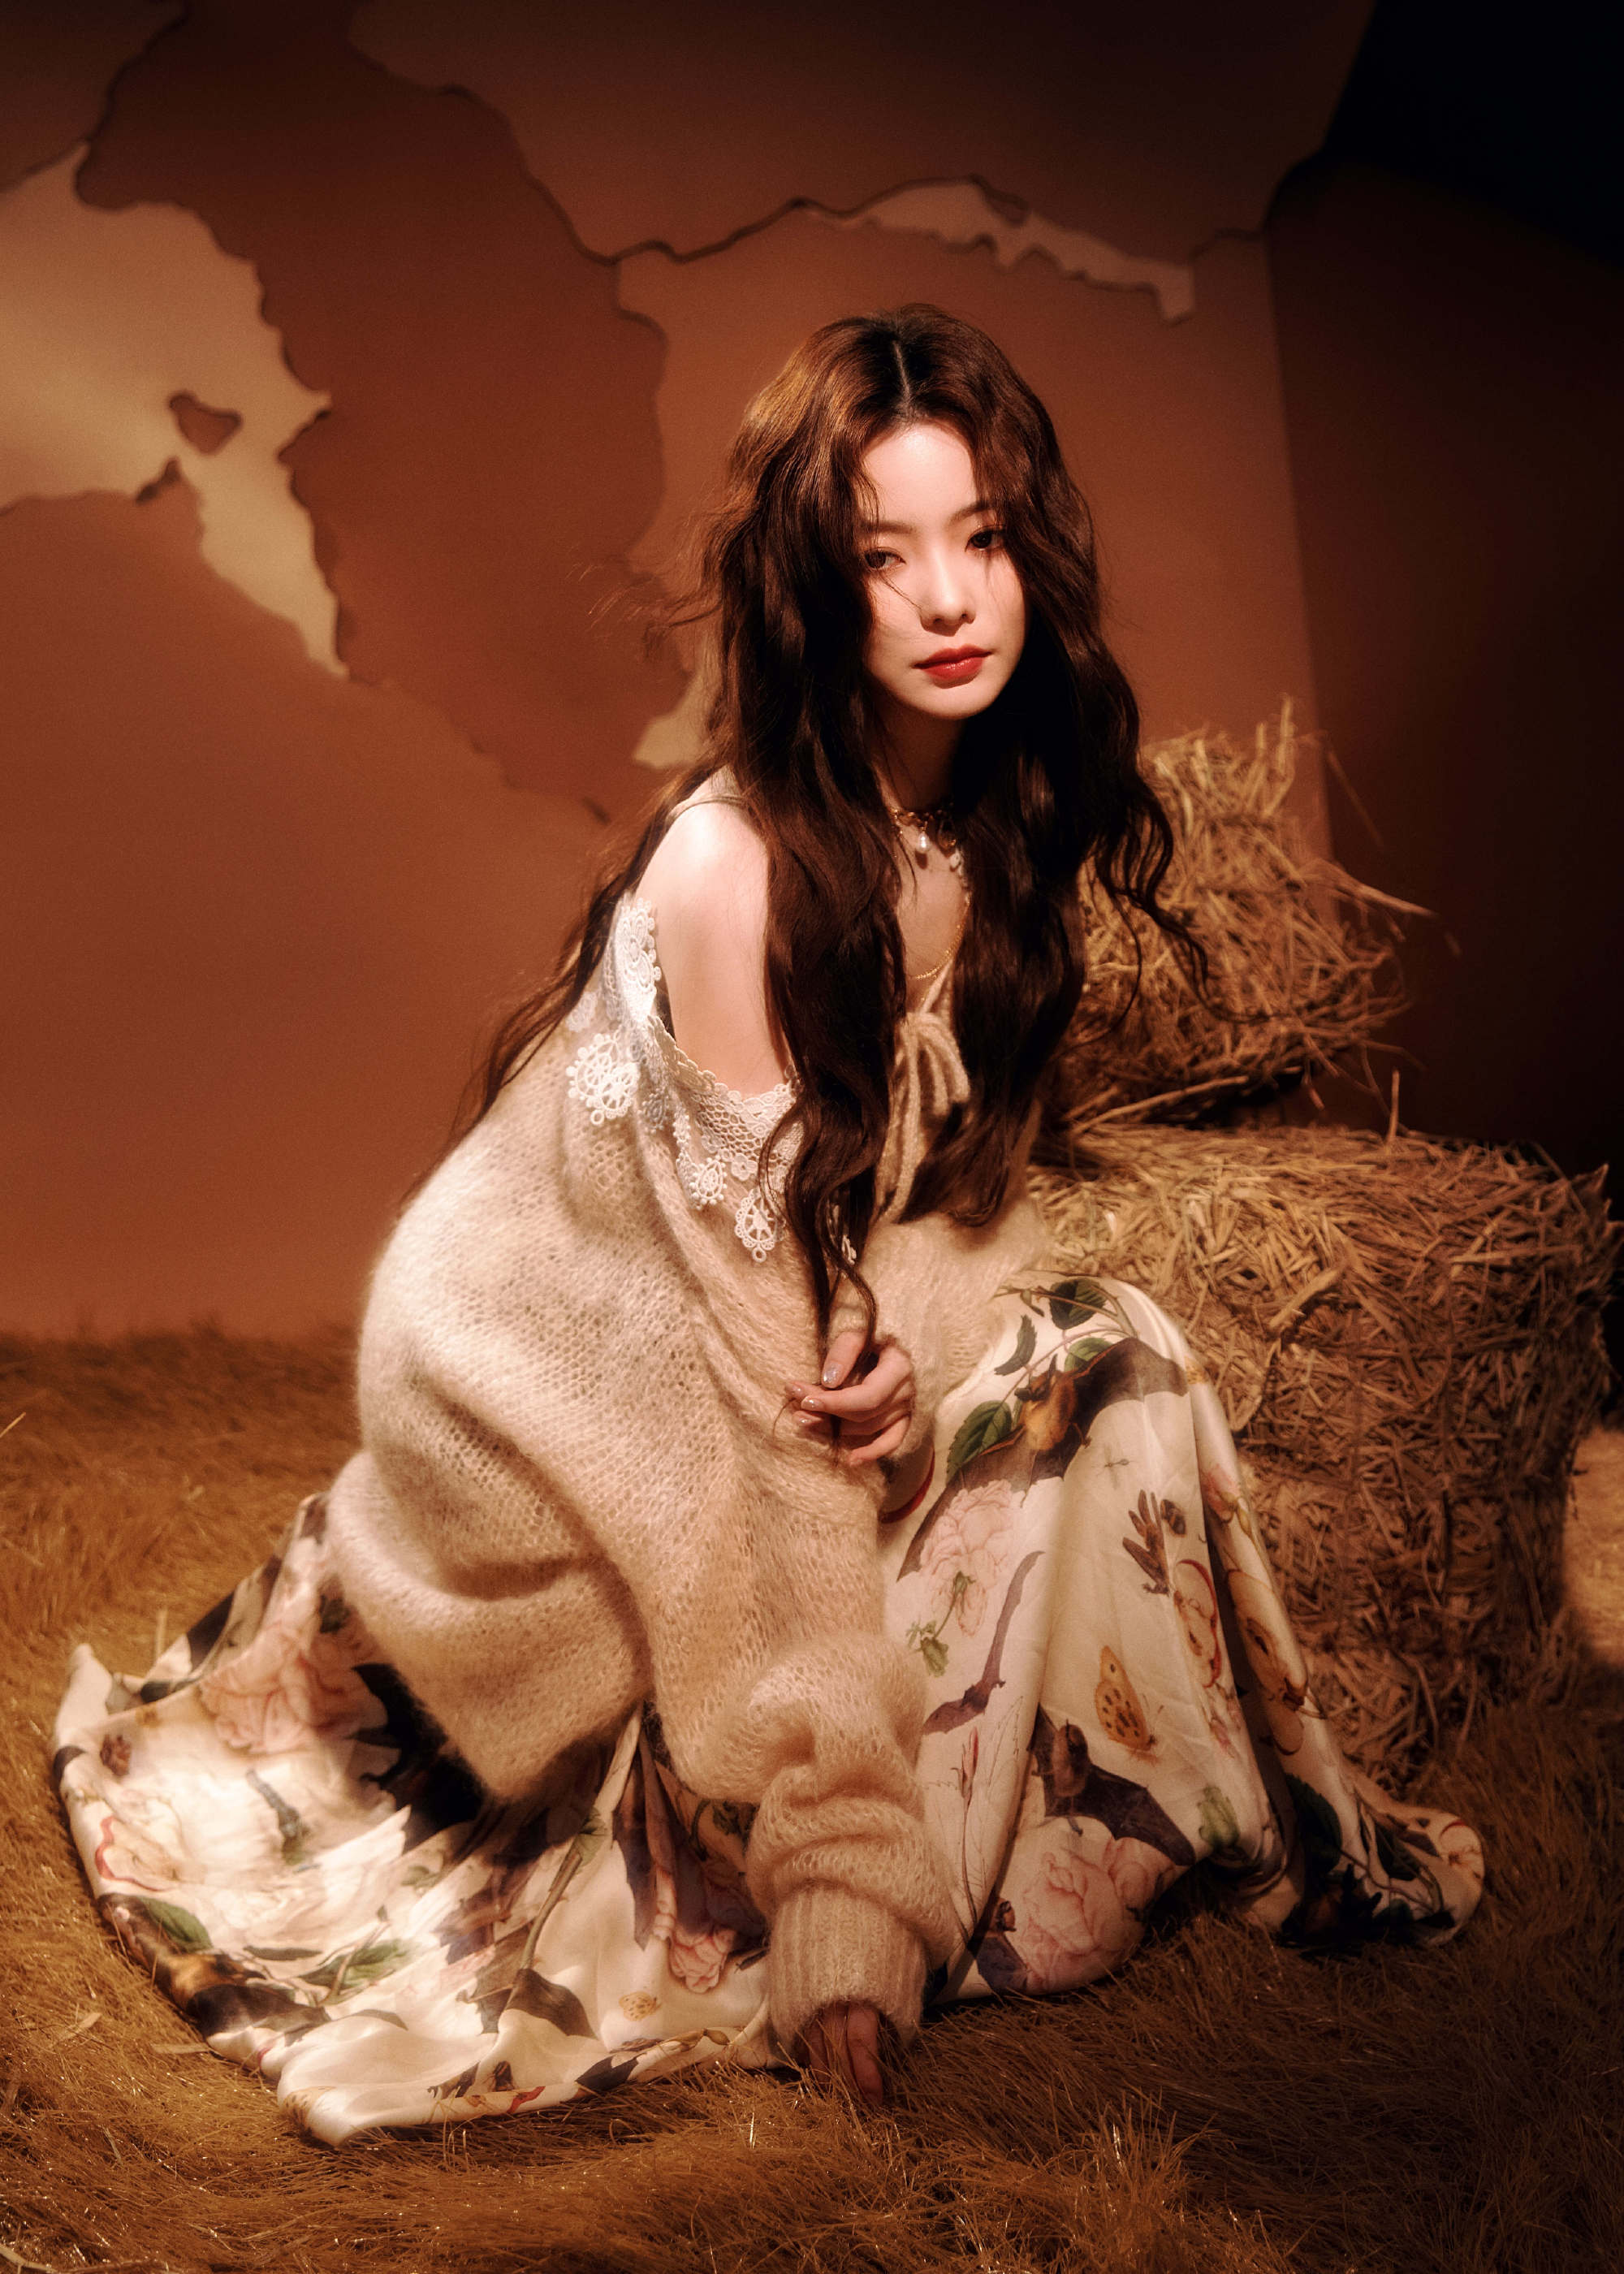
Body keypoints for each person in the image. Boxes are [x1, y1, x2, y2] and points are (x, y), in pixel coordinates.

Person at [54, 307, 1481, 2143]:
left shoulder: (990, 822)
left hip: (744, 1331)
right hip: (539, 1401)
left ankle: (1175, 1812)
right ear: (815, 587)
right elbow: (753, 1384)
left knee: (1113, 1353)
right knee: (971, 1424)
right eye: (885, 558)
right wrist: (841, 1879)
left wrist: (902, 1334)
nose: (949, 599)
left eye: (981, 538)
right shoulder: (732, 870)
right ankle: (864, 1841)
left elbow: (947, 1196)